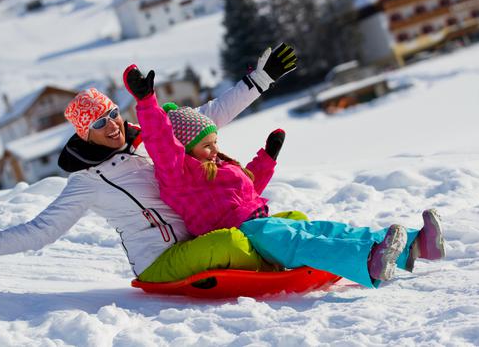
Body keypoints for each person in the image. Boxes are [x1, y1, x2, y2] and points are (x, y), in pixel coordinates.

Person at [0, 43, 298, 283]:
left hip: (201, 237)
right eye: (99, 123)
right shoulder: (87, 180)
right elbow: (42, 230)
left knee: (275, 223)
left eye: (113, 114)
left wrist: (260, 80)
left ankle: (297, 247)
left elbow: (209, 116)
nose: (113, 125)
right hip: (160, 264)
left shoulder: (149, 139)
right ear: (83, 134)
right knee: (233, 244)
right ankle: (283, 267)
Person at [123, 56, 446, 288]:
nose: (214, 149)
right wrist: (147, 101)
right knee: (298, 241)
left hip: (258, 222)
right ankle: (368, 261)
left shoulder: (219, 166)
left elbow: (249, 190)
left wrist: (267, 158)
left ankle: (416, 246)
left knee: (325, 229)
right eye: (206, 144)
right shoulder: (178, 172)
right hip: (243, 233)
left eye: (215, 141)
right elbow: (161, 142)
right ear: (185, 147)